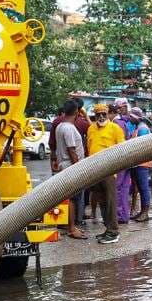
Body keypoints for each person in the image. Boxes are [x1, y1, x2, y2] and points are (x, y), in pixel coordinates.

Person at [86, 103, 126, 244]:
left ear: (108, 114)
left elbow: (122, 149)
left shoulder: (115, 128)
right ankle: (108, 229)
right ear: (95, 115)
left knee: (110, 201)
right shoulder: (91, 129)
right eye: (98, 114)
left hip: (109, 170)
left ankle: (114, 231)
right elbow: (89, 148)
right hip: (94, 170)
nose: (101, 116)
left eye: (104, 114)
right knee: (101, 200)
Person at [51, 99, 88, 240]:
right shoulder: (68, 128)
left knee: (70, 197)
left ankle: (70, 225)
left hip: (64, 164)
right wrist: (78, 167)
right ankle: (72, 228)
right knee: (72, 198)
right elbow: (72, 149)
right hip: (71, 165)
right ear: (77, 112)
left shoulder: (60, 126)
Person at [127, 107, 152, 221]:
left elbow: (141, 147)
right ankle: (142, 211)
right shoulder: (139, 127)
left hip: (142, 163)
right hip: (138, 163)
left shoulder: (142, 128)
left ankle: (145, 212)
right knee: (141, 188)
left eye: (131, 117)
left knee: (143, 188)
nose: (129, 119)